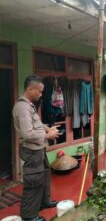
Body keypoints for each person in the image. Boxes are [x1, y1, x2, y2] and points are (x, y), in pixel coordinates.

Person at [12, 76, 61, 221]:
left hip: (39, 150)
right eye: (39, 92)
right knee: (33, 182)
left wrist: (48, 128)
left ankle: (44, 202)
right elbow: (27, 133)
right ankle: (29, 216)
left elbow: (37, 124)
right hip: (32, 151)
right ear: (30, 89)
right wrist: (48, 136)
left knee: (44, 176)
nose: (41, 95)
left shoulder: (29, 105)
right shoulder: (22, 107)